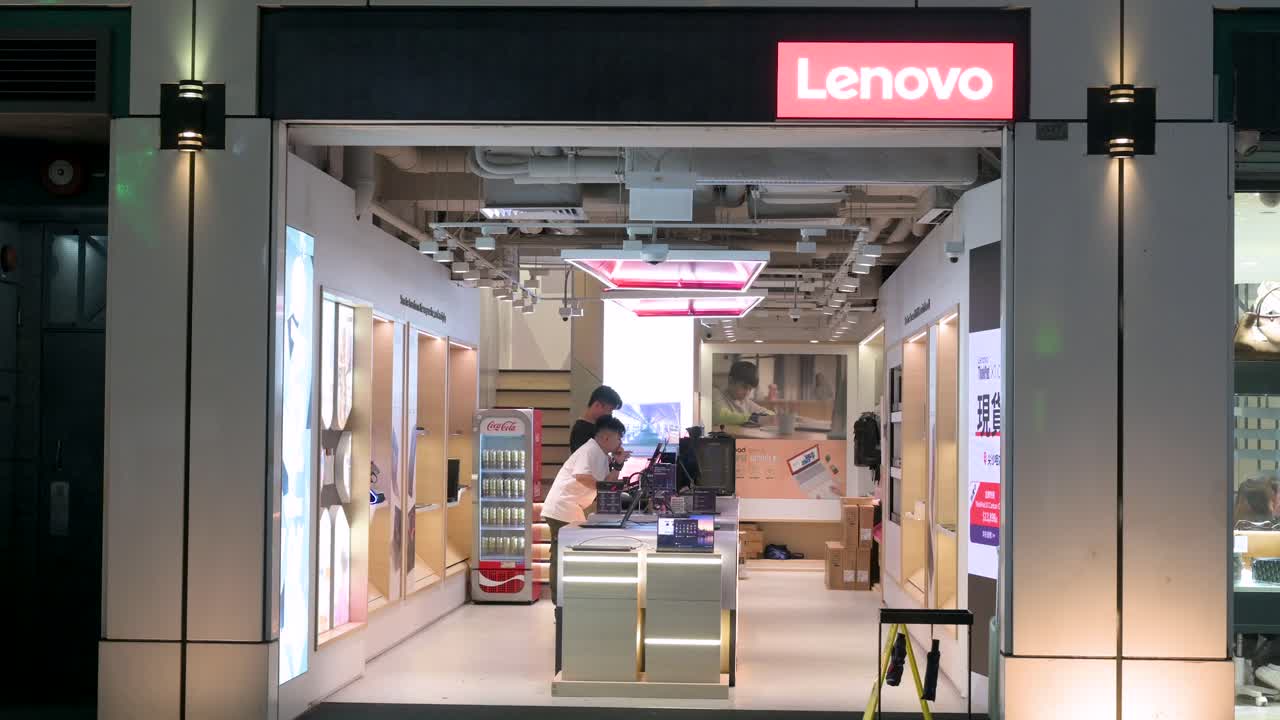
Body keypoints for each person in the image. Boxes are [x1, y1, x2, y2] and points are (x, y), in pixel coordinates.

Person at [543, 416, 627, 602]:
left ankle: (566, 599)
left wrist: (619, 463)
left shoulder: (602, 455)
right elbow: (582, 476)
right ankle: (559, 602)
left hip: (571, 509)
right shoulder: (590, 450)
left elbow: (607, 484)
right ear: (607, 437)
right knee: (561, 555)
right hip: (562, 508)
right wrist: (605, 486)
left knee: (565, 554)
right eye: (619, 438)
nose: (621, 442)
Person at [712, 360, 775, 429]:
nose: (747, 393)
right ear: (731, 381)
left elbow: (770, 413)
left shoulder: (745, 401)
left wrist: (765, 416)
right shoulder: (715, 393)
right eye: (744, 387)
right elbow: (721, 417)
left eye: (750, 389)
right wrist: (754, 418)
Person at [569, 385, 623, 453]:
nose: (610, 414)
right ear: (597, 405)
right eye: (610, 410)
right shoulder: (580, 431)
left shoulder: (597, 426)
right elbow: (589, 459)